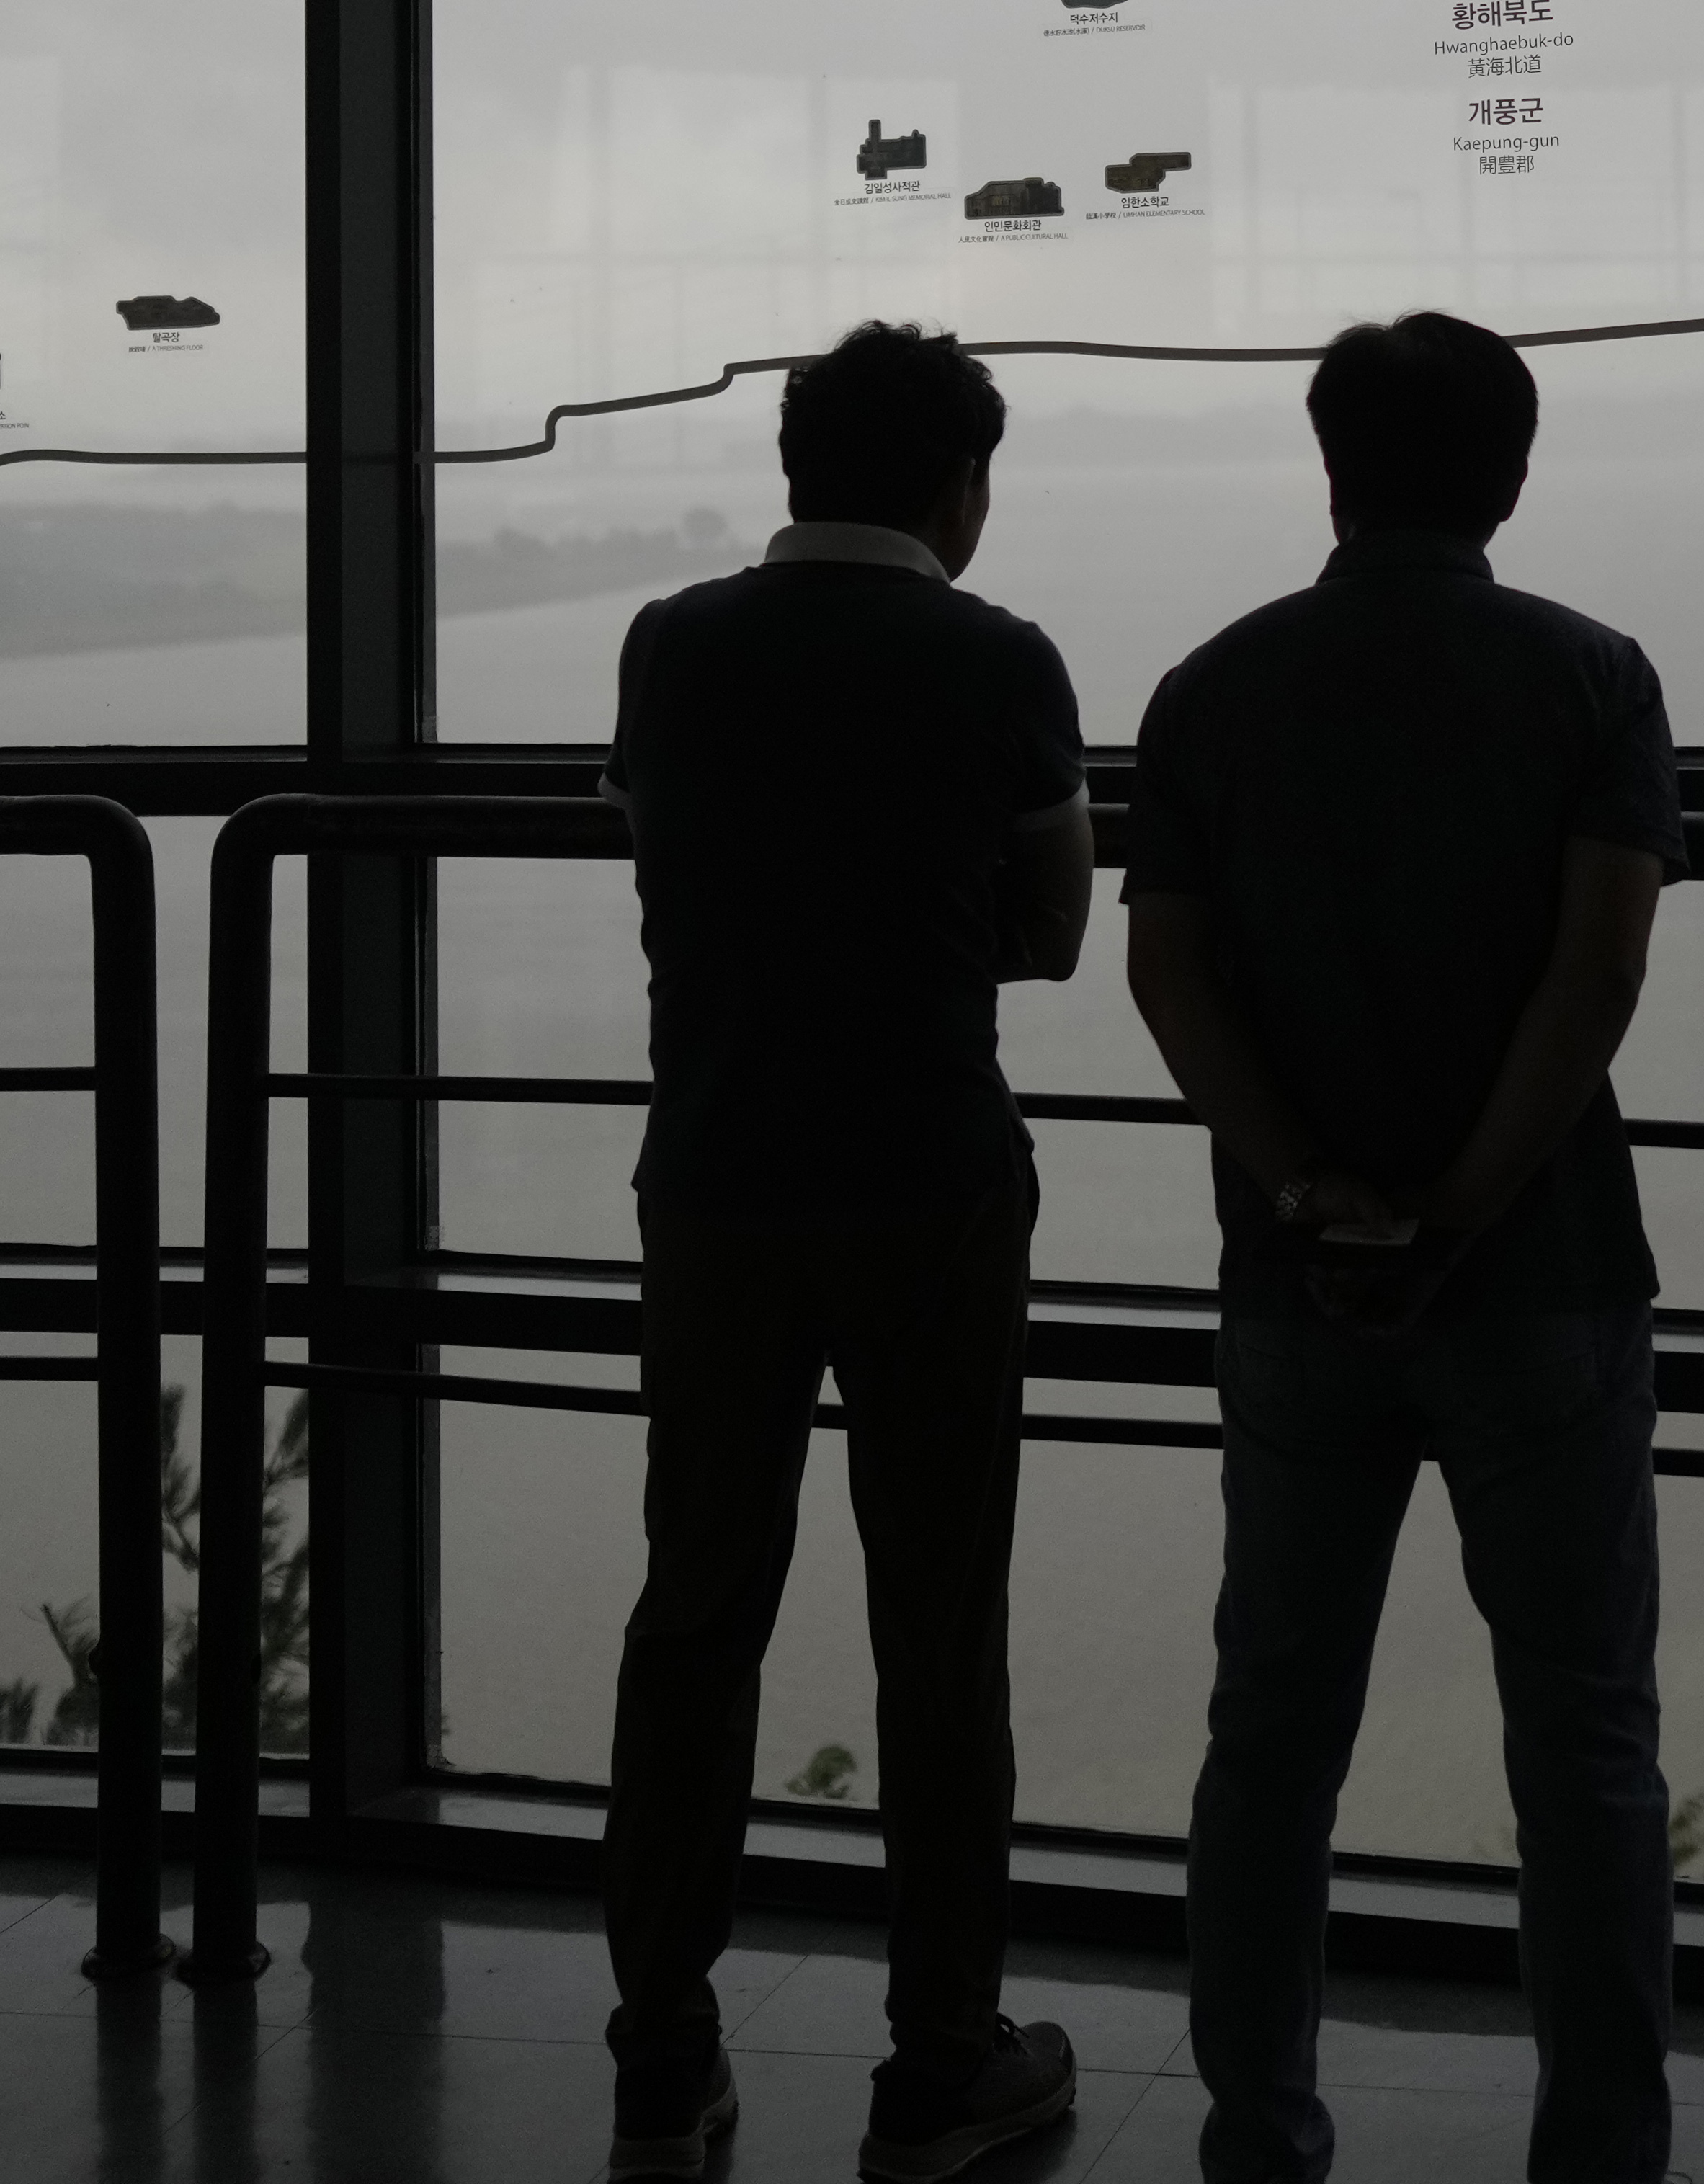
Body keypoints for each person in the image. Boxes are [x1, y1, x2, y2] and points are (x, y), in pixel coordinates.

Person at [1123, 312, 1687, 2184]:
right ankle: (1598, 2152)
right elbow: (1595, 971)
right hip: (1540, 1283)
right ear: (1509, 476)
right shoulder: (1591, 679)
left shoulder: (1208, 693)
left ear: (1330, 464)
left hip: (1297, 1290)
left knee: (1269, 1733)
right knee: (1585, 1745)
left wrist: (1307, 1194)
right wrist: (1456, 1214)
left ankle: (1256, 2135)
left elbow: (1169, 972)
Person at [599, 321, 1097, 2184]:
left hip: (716, 1177)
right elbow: (1048, 933)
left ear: (800, 468)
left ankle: (660, 2058)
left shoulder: (672, 645)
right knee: (935, 1624)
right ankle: (942, 2057)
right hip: (930, 1187)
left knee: (695, 1609)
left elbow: (650, 847)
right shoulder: (997, 663)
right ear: (958, 486)